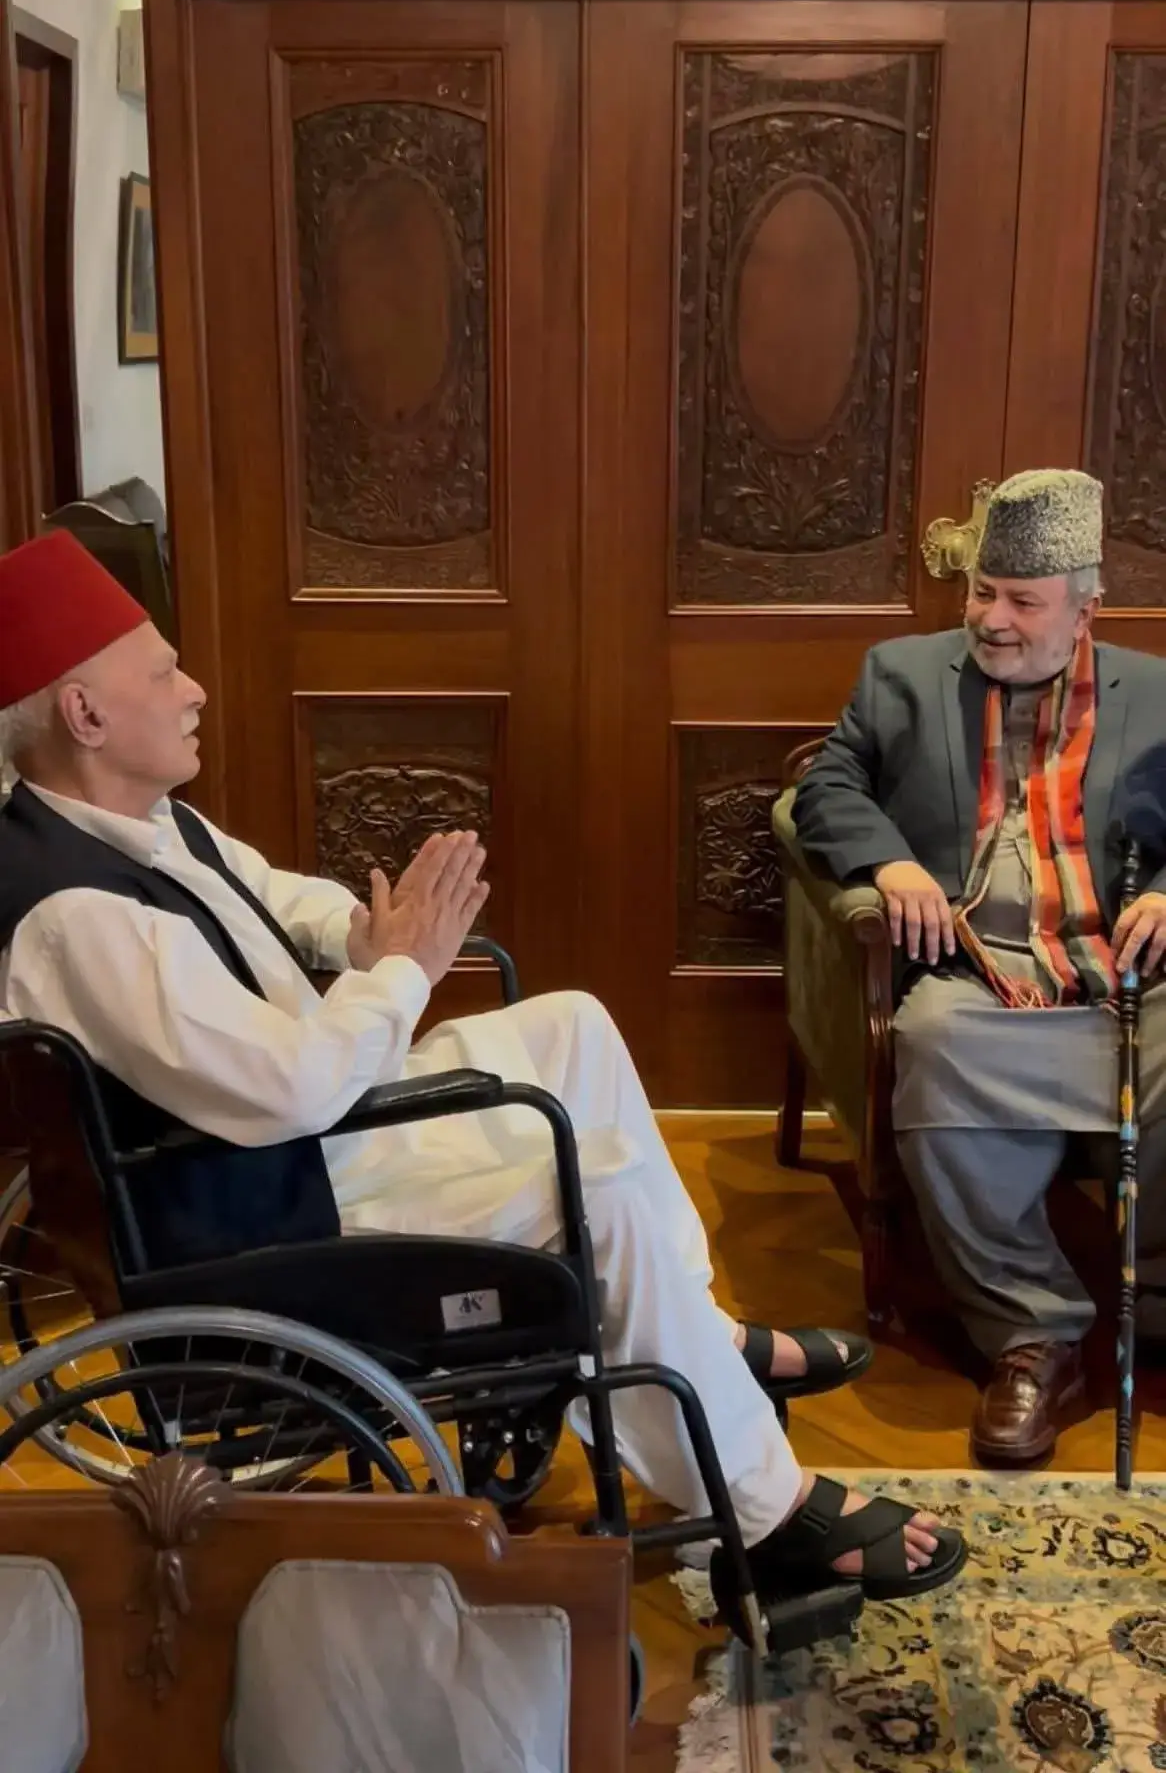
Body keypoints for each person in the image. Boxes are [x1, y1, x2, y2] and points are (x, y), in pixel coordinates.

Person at [0, 529, 964, 1620]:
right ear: (84, 714)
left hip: (289, 1145)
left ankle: (689, 1326)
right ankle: (765, 1508)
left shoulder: (134, 819)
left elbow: (268, 891)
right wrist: (402, 970)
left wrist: (363, 927)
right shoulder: (75, 912)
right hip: (267, 1209)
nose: (195, 688)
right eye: (163, 672)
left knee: (570, 1026)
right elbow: (288, 1089)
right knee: (589, 1183)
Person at [795, 468, 1166, 1465]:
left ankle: (1151, 1293)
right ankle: (1033, 1336)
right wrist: (890, 859)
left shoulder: (1155, 692)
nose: (989, 619)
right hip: (983, 985)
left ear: (1085, 604)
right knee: (929, 1039)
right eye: (980, 592)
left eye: (1020, 600)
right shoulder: (900, 674)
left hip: (1125, 984)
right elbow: (822, 785)